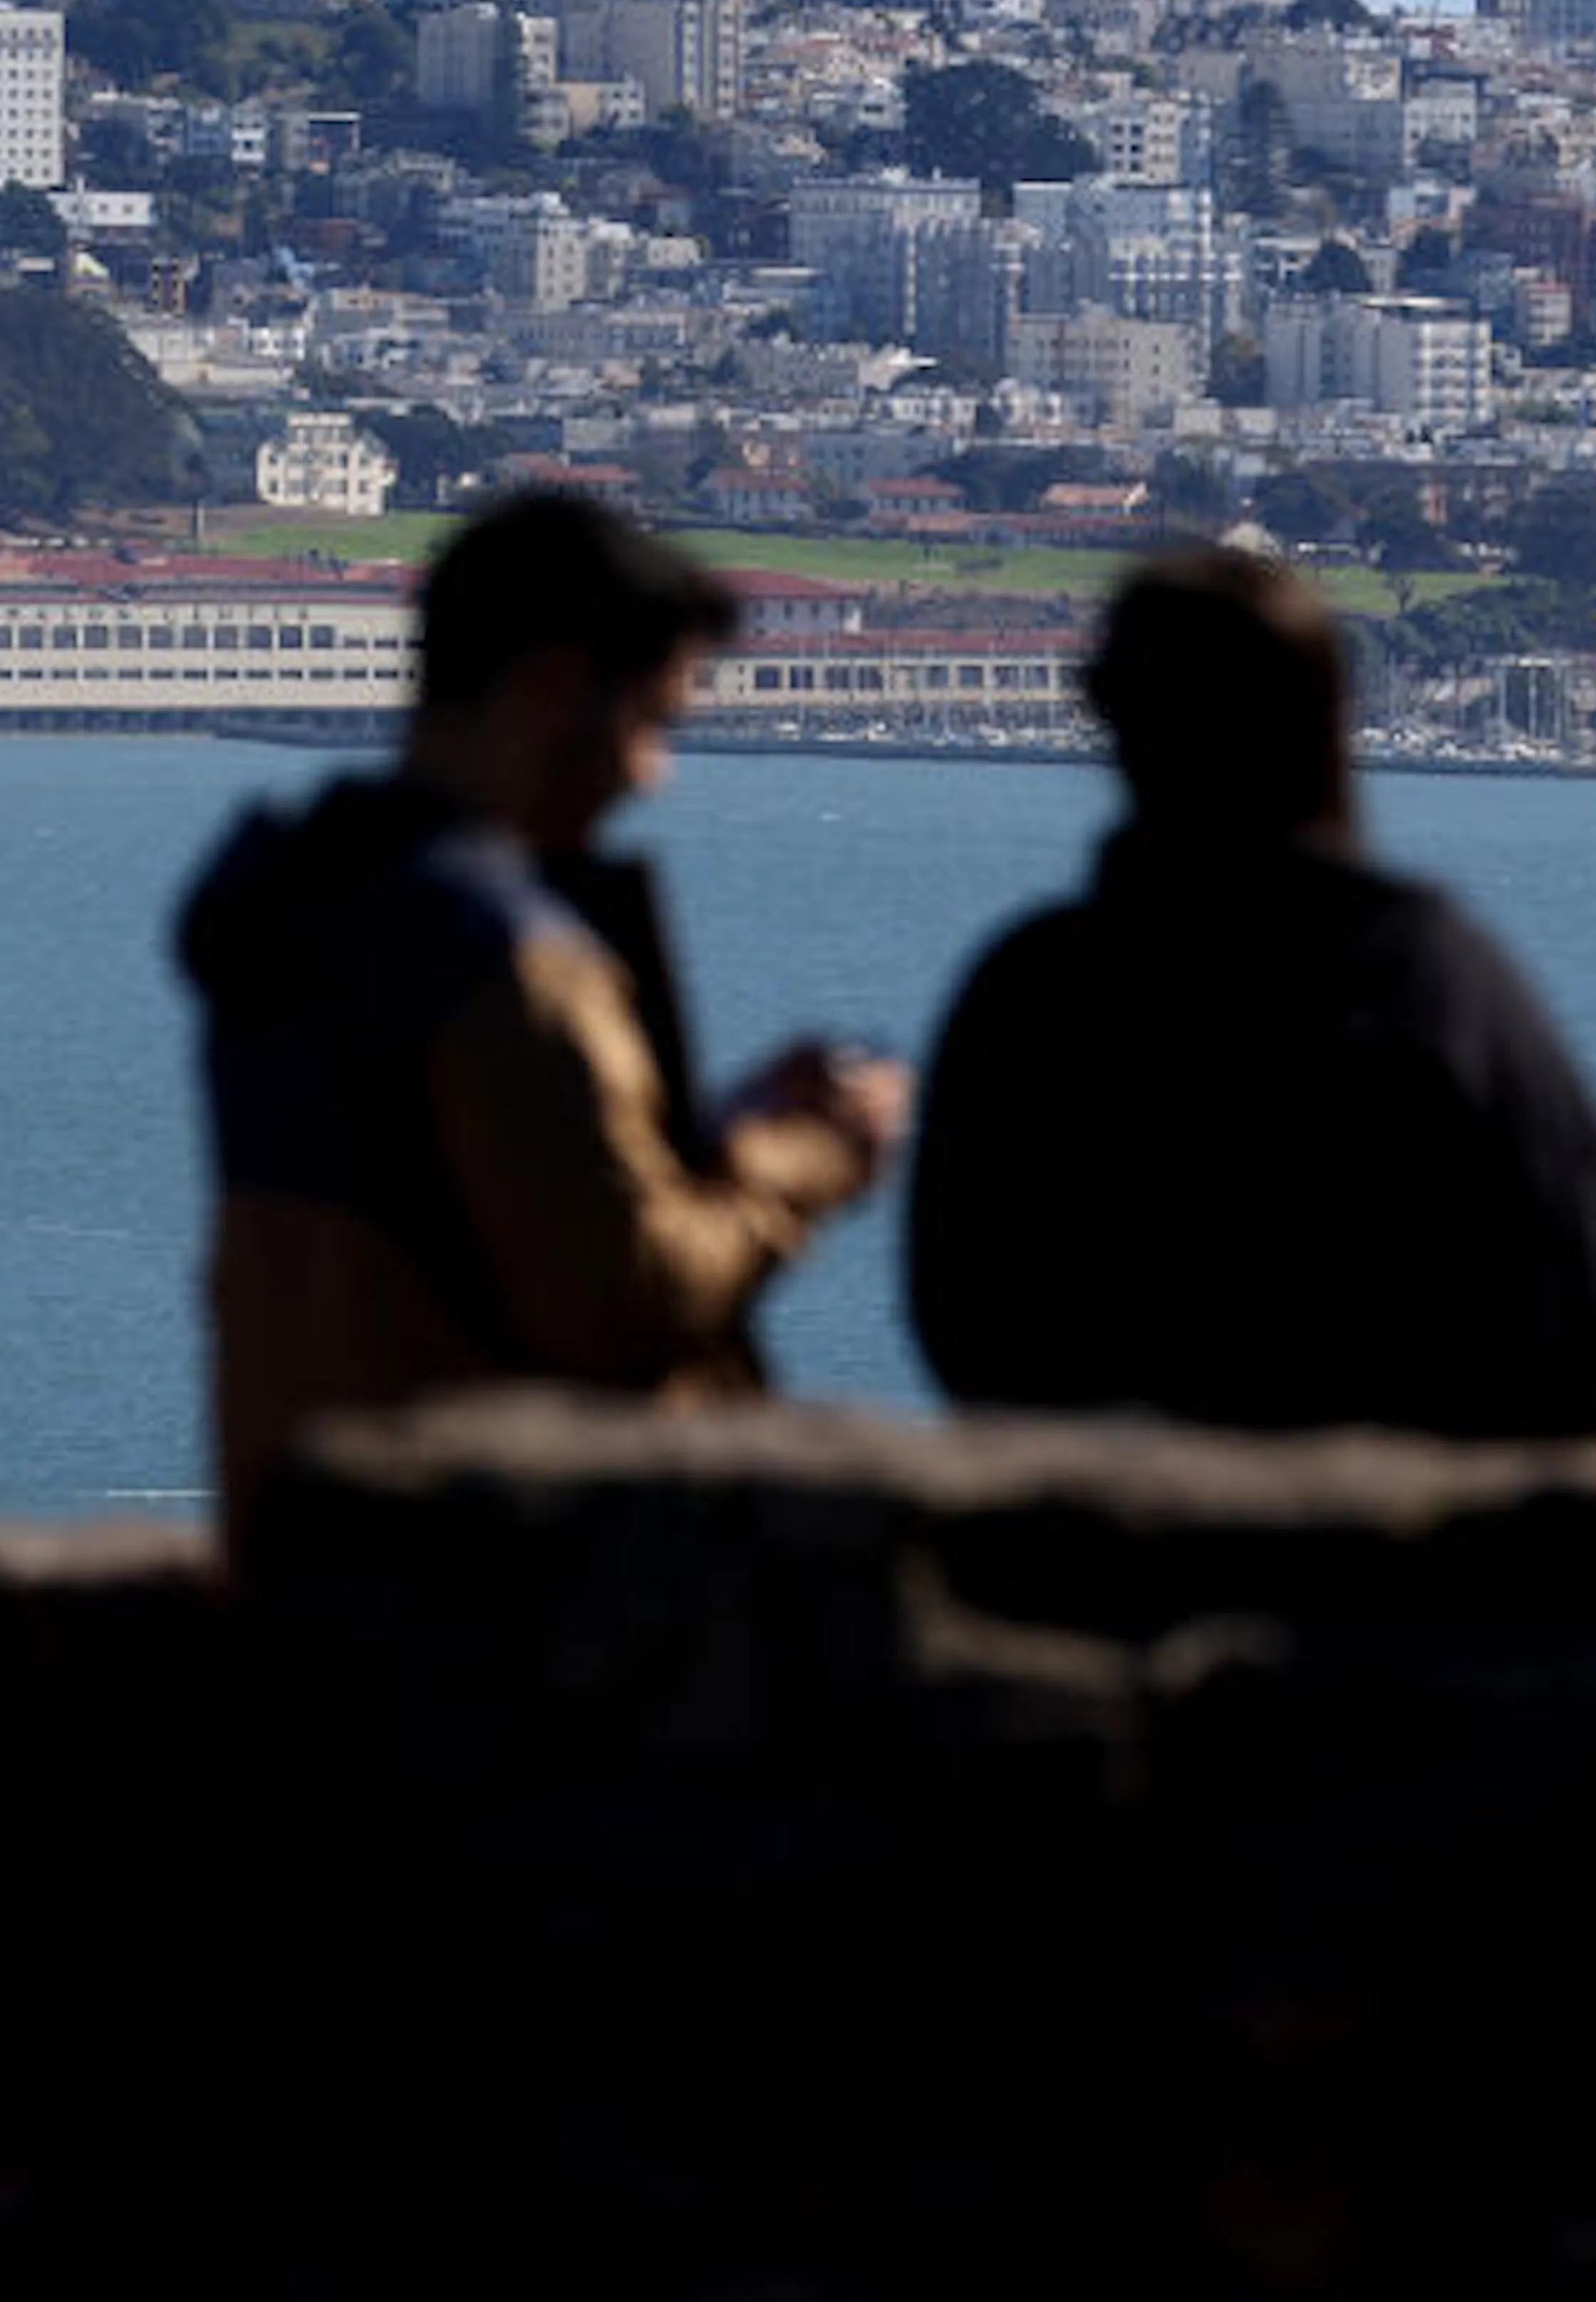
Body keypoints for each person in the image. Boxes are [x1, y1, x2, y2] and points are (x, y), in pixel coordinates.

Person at [177, 489, 908, 1561]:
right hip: (507, 1610)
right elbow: (624, 1295)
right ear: (560, 693)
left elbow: (465, 1215)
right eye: (652, 723)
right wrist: (816, 1152)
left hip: (313, 1558)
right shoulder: (510, 966)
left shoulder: (295, 901)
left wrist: (710, 1133)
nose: (652, 774)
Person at [908, 540, 1596, 1433]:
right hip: (1394, 1547)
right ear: (1325, 719)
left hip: (1097, 1545)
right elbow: (1567, 1306)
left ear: (1110, 715)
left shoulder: (1034, 992)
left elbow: (966, 1330)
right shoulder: (1440, 984)